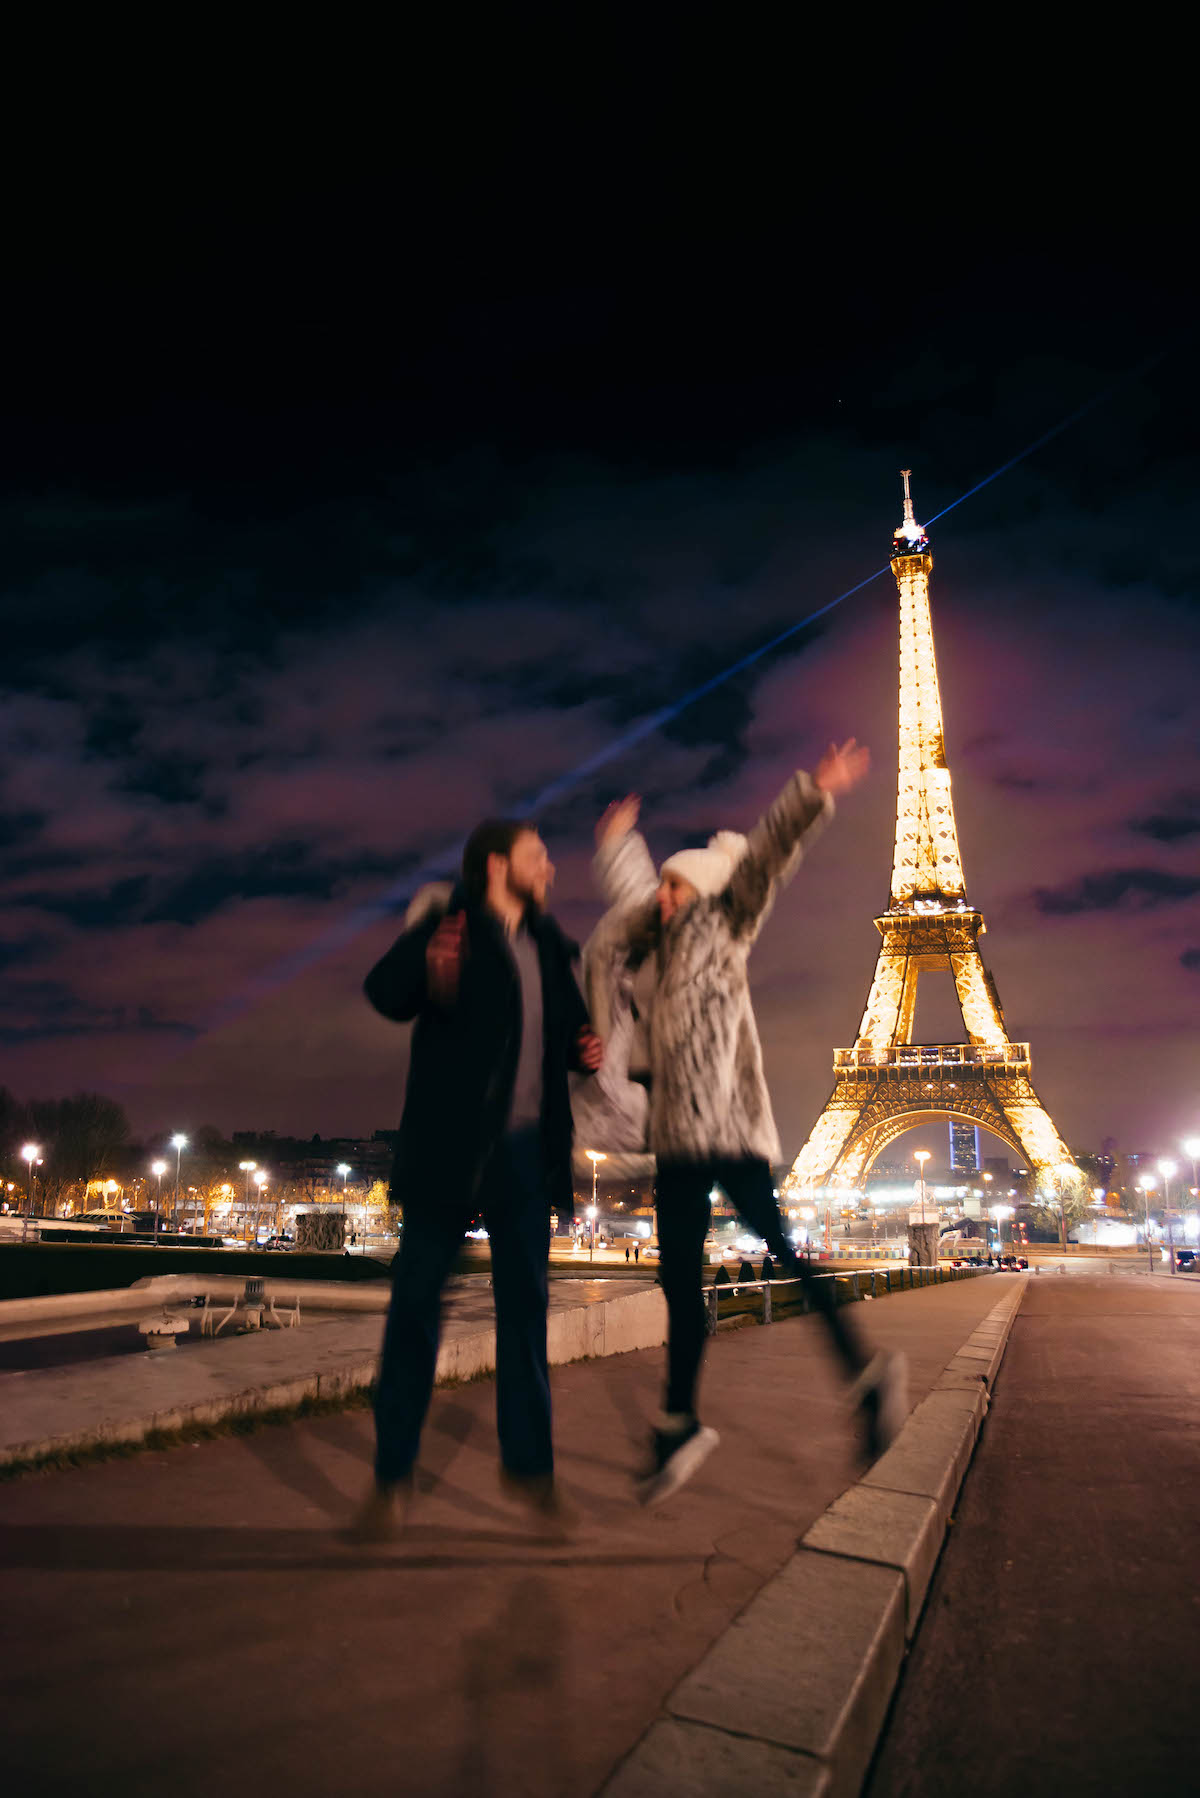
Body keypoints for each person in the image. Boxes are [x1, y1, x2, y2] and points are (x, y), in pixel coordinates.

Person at [590, 741, 906, 1505]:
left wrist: (813, 791)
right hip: (676, 1136)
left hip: (726, 1132)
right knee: (676, 1282)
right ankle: (679, 1423)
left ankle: (867, 1378)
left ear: (700, 892)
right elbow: (637, 894)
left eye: (673, 889)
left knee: (785, 1254)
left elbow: (765, 856)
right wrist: (617, 847)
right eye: (660, 890)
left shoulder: (729, 924)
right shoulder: (660, 951)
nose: (660, 899)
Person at [350, 818, 603, 1541]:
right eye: (537, 857)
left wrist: (585, 1049)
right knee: (415, 1315)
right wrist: (429, 964)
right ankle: (392, 1476)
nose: (551, 867)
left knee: (525, 1319)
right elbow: (385, 992)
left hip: (526, 1157)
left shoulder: (553, 947)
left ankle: (530, 1472)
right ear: (497, 866)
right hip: (448, 1153)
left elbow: (573, 1035)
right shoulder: (449, 924)